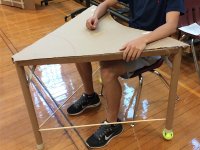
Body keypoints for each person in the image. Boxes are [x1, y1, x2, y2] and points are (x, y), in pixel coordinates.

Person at [67, 0, 184, 148]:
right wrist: (95, 16)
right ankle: (90, 97)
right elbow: (105, 4)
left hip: (154, 46)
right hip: (131, 39)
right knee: (81, 53)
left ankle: (113, 124)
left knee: (108, 72)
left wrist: (143, 40)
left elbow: (171, 26)